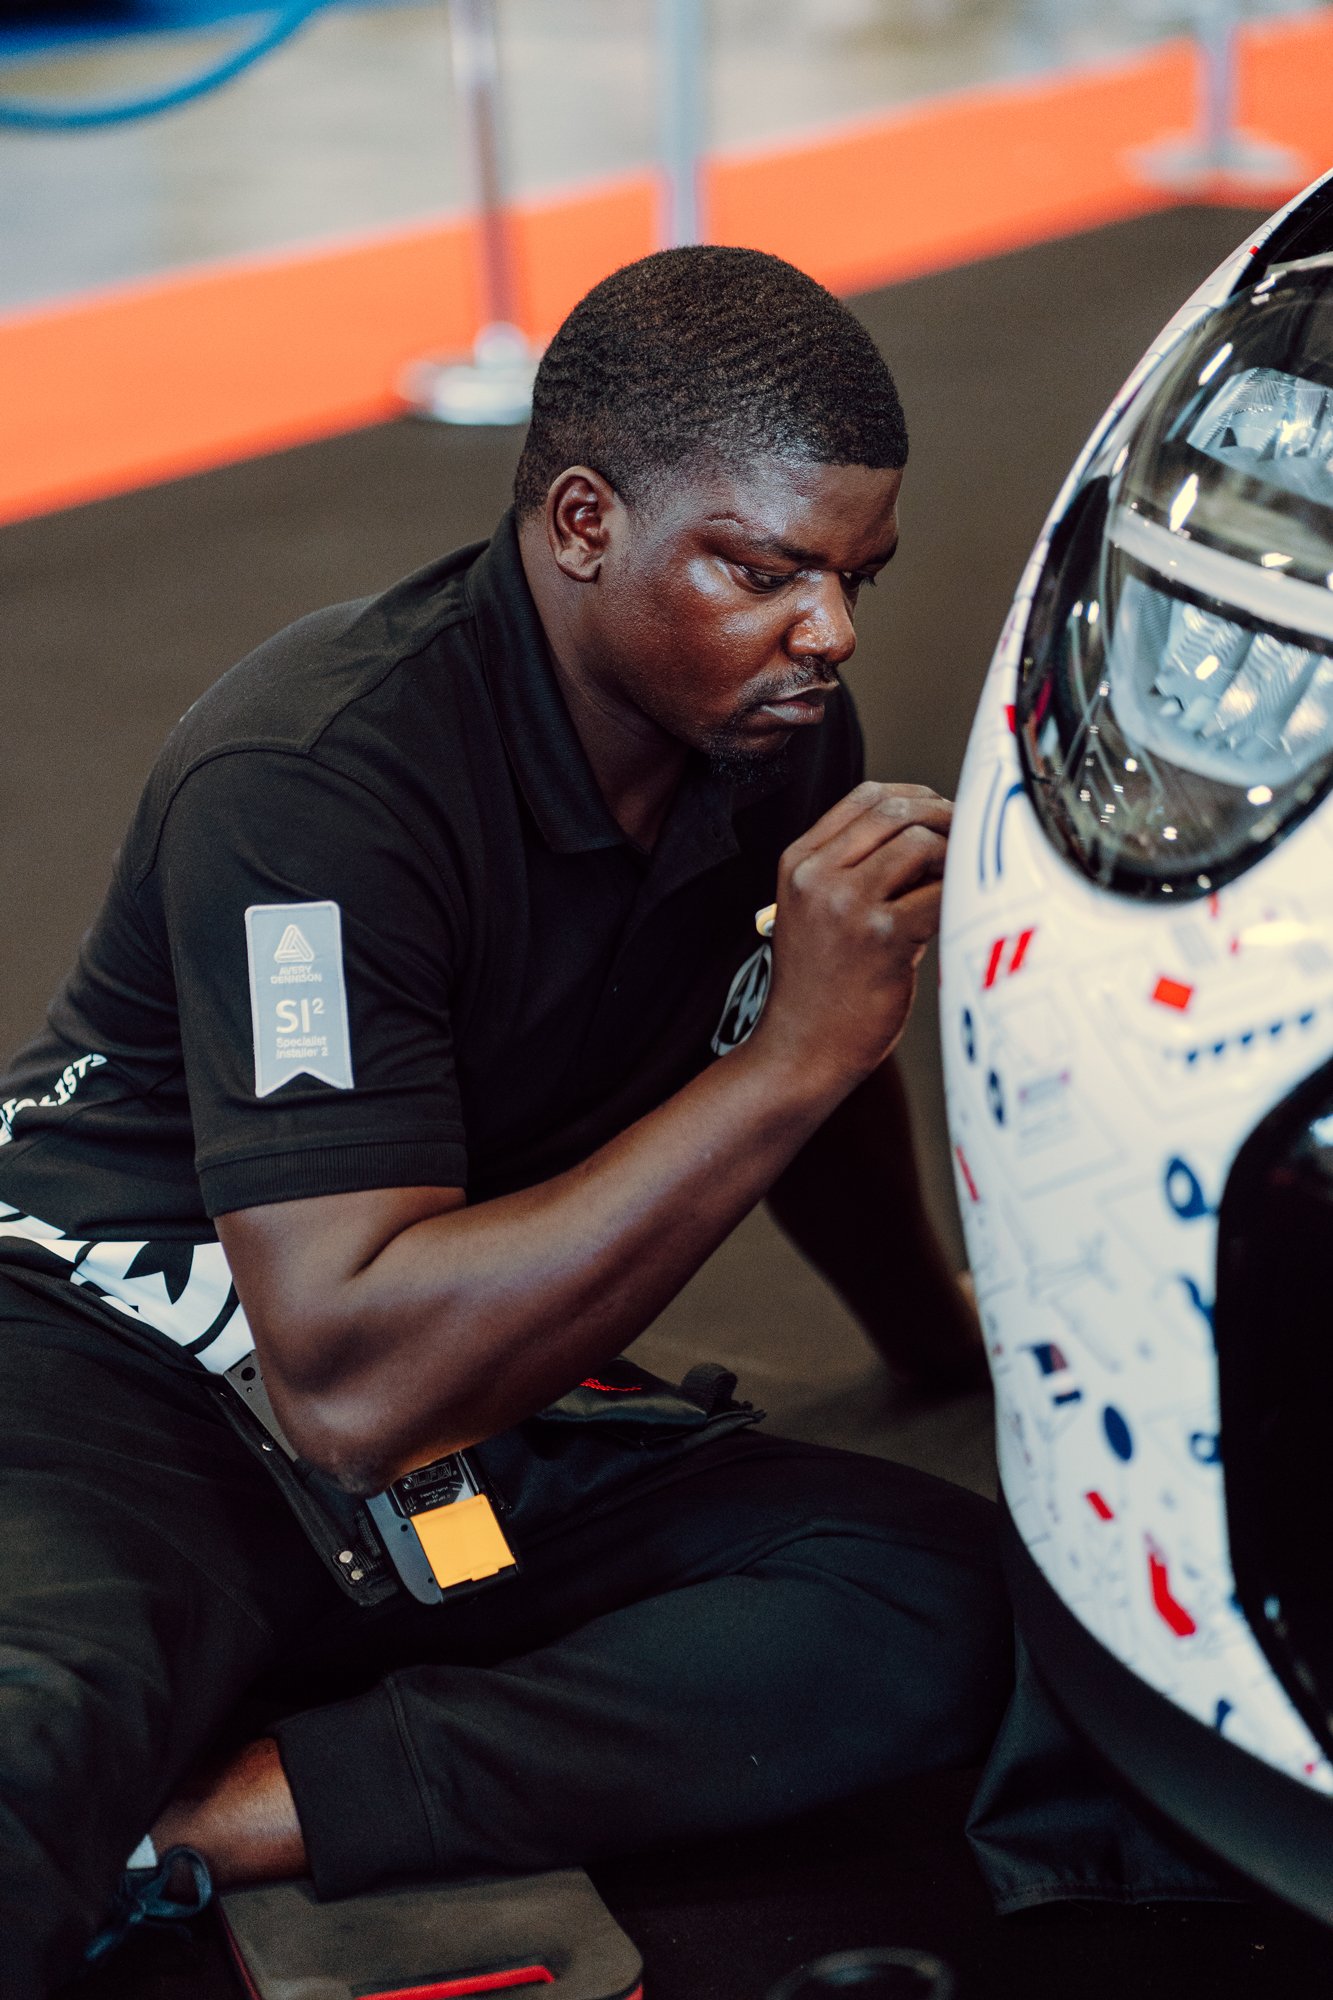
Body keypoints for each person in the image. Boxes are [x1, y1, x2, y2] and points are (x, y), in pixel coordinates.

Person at [0, 245, 1142, 1997]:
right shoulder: (314, 783)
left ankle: (210, 1822)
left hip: (457, 1412)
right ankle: (118, 1765)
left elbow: (800, 1051)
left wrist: (935, 1343)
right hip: (122, 1368)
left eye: (854, 577)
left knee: (936, 1596)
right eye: (762, 571)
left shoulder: (769, 733)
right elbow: (349, 1386)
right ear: (585, 522)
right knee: (34, 1736)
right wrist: (788, 1060)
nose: (829, 635)